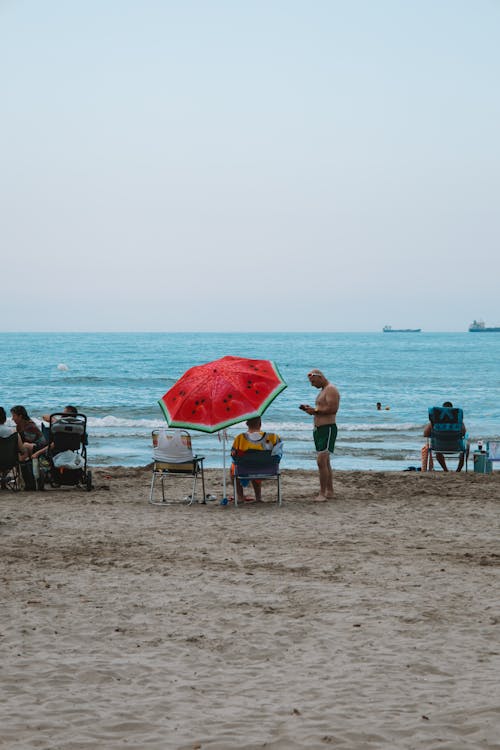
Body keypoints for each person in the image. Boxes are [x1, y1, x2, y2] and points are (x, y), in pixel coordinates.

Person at [299, 369, 340, 502]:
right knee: (325, 461)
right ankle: (330, 491)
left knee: (321, 461)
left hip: (327, 428)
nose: (312, 385)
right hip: (319, 429)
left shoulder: (331, 389)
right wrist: (310, 410)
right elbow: (321, 410)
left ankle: (322, 493)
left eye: (313, 381)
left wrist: (315, 410)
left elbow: (333, 409)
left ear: (320, 377)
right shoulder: (323, 391)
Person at [230, 416, 282, 503]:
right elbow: (279, 455)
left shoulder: (240, 438)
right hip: (267, 469)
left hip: (244, 469)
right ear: (260, 424)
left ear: (246, 424)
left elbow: (233, 455)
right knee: (258, 463)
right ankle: (258, 497)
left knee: (233, 468)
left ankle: (240, 497)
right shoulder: (273, 437)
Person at [423, 401, 469, 472]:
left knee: (435, 443)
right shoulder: (458, 422)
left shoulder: (436, 422)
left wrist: (433, 427)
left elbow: (425, 434)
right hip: (456, 447)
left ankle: (445, 469)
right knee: (467, 445)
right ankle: (458, 470)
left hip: (439, 447)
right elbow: (463, 433)